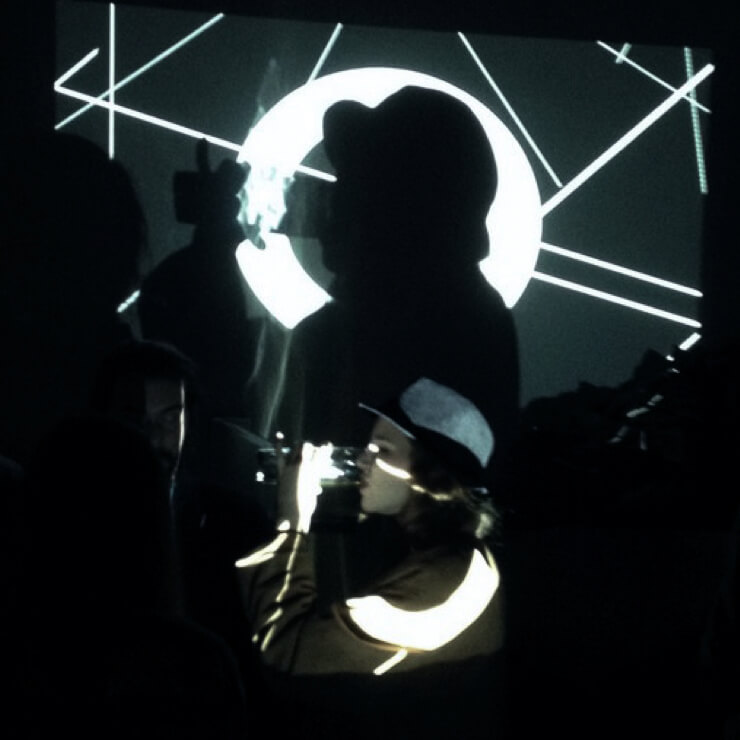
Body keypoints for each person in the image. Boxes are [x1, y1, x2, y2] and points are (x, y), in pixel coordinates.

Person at [236, 377, 505, 739]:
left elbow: (285, 654)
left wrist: (291, 522)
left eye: (382, 450)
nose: (364, 459)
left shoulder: (443, 587)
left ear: (429, 474)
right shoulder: (454, 560)